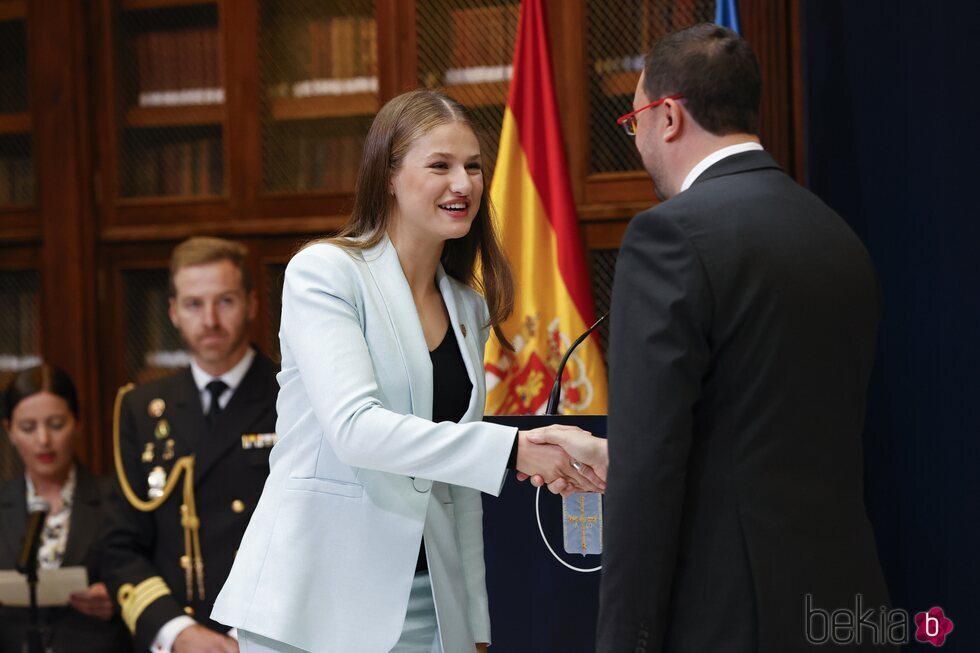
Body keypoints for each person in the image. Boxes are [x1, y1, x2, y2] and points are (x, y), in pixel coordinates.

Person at [210, 89, 605, 653]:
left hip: (427, 606)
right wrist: (513, 450)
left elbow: (458, 489)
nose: (463, 184)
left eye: (472, 166)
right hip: (314, 602)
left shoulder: (466, 307)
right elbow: (356, 429)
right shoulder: (325, 273)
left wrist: (475, 626)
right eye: (440, 166)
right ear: (388, 177)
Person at [594, 23, 892, 653]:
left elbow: (649, 471)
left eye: (635, 120)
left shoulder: (667, 237)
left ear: (668, 115)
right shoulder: (837, 235)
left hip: (728, 620)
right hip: (848, 609)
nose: (637, 140)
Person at [102, 237, 279, 653]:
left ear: (252, 304)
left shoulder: (293, 397)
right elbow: (119, 545)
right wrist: (176, 631)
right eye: (194, 304)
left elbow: (317, 533)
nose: (210, 320)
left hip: (268, 637)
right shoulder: (141, 408)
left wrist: (246, 638)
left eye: (226, 301)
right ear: (174, 313)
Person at [0, 364, 131, 652]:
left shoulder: (115, 500)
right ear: (9, 430)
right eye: (28, 427)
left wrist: (122, 600)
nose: (43, 440)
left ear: (77, 423)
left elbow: (143, 578)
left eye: (56, 424)